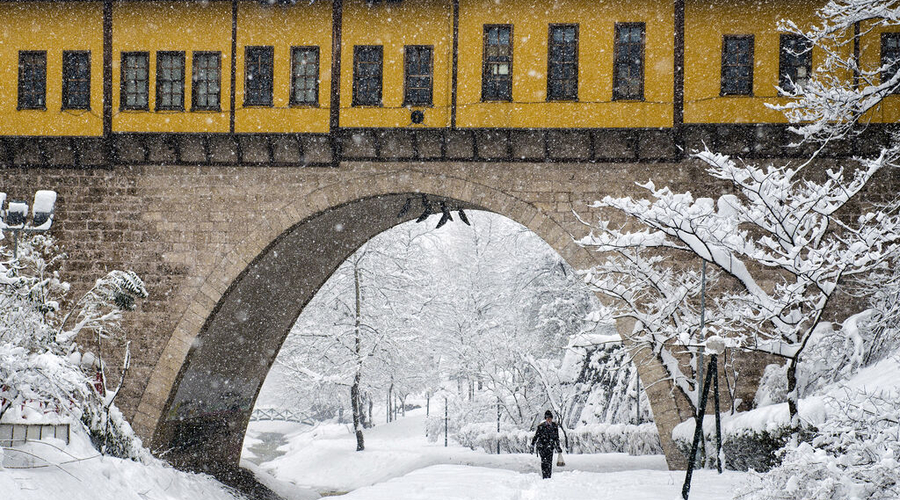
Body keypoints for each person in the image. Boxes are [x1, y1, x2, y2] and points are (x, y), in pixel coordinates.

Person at [531, 409, 562, 479]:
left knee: (549, 461)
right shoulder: (541, 426)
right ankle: (544, 475)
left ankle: (549, 476)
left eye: (550, 418)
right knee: (544, 461)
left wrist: (558, 446)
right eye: (547, 418)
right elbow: (536, 436)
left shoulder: (554, 426)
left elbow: (556, 437)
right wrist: (532, 445)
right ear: (545, 419)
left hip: (550, 446)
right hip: (542, 446)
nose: (549, 420)